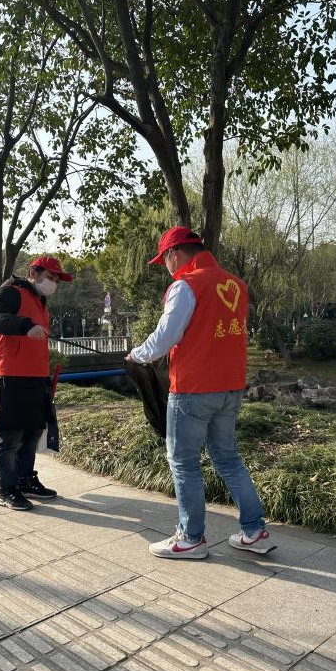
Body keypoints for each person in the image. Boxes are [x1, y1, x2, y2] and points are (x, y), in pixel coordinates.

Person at [126, 226, 276, 559]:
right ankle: (255, 532)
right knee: (228, 459)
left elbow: (165, 337)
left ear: (174, 254)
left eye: (164, 260)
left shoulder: (186, 285)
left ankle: (191, 538)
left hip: (193, 388)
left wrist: (136, 354)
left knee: (183, 462)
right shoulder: (235, 284)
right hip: (230, 387)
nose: (165, 267)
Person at [0, 256, 72, 510]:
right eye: (50, 277)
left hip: (35, 377)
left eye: (57, 280)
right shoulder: (12, 292)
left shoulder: (39, 301)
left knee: (31, 435)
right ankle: (6, 489)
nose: (53, 283)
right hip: (10, 375)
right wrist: (25, 325)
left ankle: (24, 481)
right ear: (33, 272)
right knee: (10, 439)